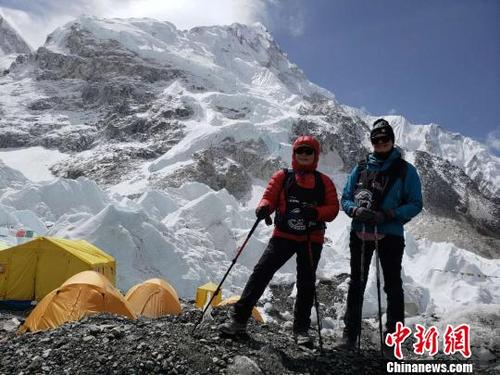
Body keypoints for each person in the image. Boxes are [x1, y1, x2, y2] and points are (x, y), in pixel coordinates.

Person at [219, 135, 339, 345]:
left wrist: (317, 213)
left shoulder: (324, 182)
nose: (303, 154)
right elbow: (269, 197)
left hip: (312, 238)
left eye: (308, 151)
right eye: (300, 151)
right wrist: (264, 207)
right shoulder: (282, 177)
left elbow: (333, 209)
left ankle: (301, 330)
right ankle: (238, 319)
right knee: (261, 272)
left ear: (315, 155)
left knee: (306, 282)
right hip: (283, 235)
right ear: (294, 154)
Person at [339, 118, 423, 351]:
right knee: (357, 282)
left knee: (393, 286)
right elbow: (345, 198)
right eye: (376, 139)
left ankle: (392, 340)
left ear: (392, 140)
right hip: (361, 232)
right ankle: (350, 335)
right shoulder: (361, 167)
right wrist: (355, 210)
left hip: (391, 233)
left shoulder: (406, 170)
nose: (381, 143)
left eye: (385, 138)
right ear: (372, 142)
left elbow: (416, 203)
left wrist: (389, 214)